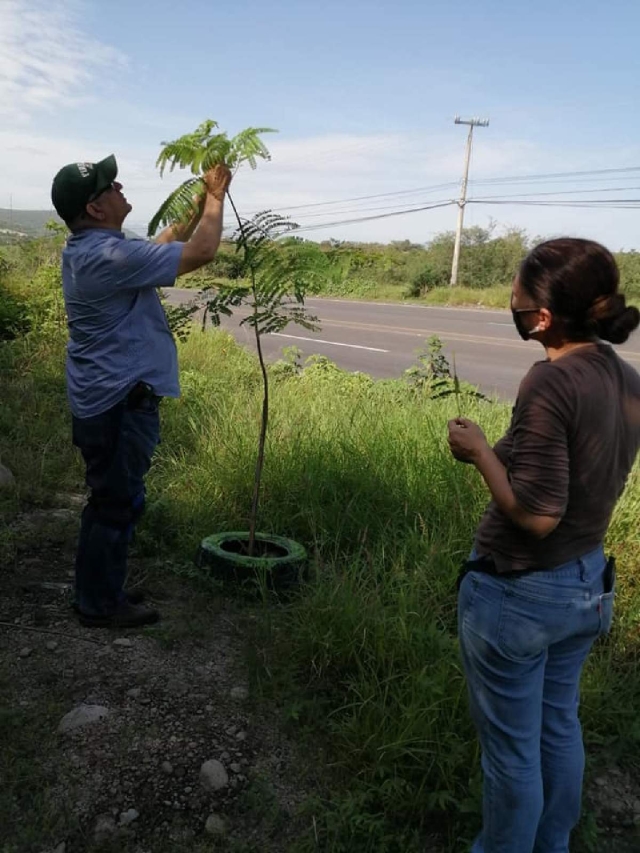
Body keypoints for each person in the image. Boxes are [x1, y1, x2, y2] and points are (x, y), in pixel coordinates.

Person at [447, 237, 640, 853]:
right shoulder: (625, 378)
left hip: (522, 591)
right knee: (558, 727)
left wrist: (479, 454)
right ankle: (552, 844)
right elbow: (572, 470)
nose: (511, 302)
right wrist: (504, 449)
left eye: (516, 295)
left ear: (545, 316)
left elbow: (535, 514)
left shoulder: (550, 380)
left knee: (510, 753)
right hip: (585, 583)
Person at [51, 155, 232, 628]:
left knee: (109, 498)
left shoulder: (96, 250)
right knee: (116, 501)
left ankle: (99, 589)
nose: (120, 187)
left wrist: (191, 212)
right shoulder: (106, 257)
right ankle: (98, 604)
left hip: (104, 398)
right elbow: (203, 253)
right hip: (117, 402)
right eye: (110, 186)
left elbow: (159, 247)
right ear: (94, 209)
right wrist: (216, 195)